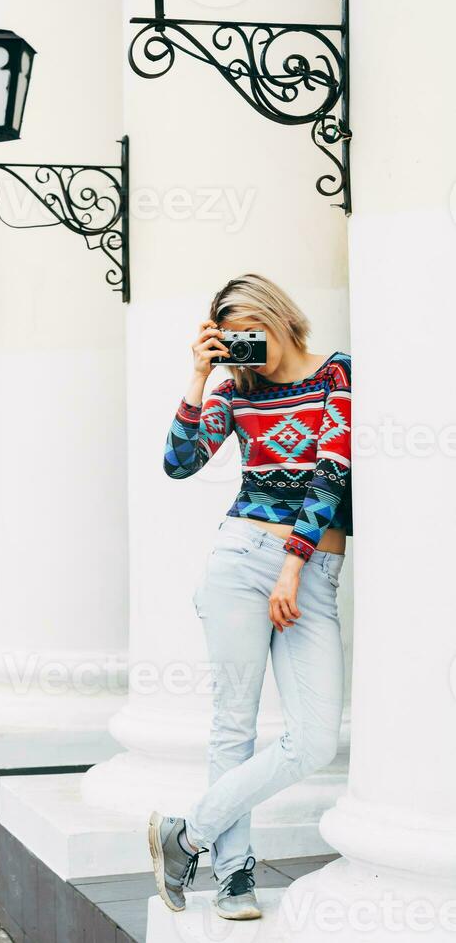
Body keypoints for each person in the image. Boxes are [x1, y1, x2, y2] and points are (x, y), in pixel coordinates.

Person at [148, 274, 352, 920]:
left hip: (308, 573)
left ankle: (185, 836)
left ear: (279, 319)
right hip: (240, 562)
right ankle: (234, 876)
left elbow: (333, 468)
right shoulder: (236, 390)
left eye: (250, 336)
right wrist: (198, 378)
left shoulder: (337, 374)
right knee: (232, 724)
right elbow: (179, 463)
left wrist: (295, 564)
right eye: (229, 341)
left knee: (315, 740)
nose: (244, 350)